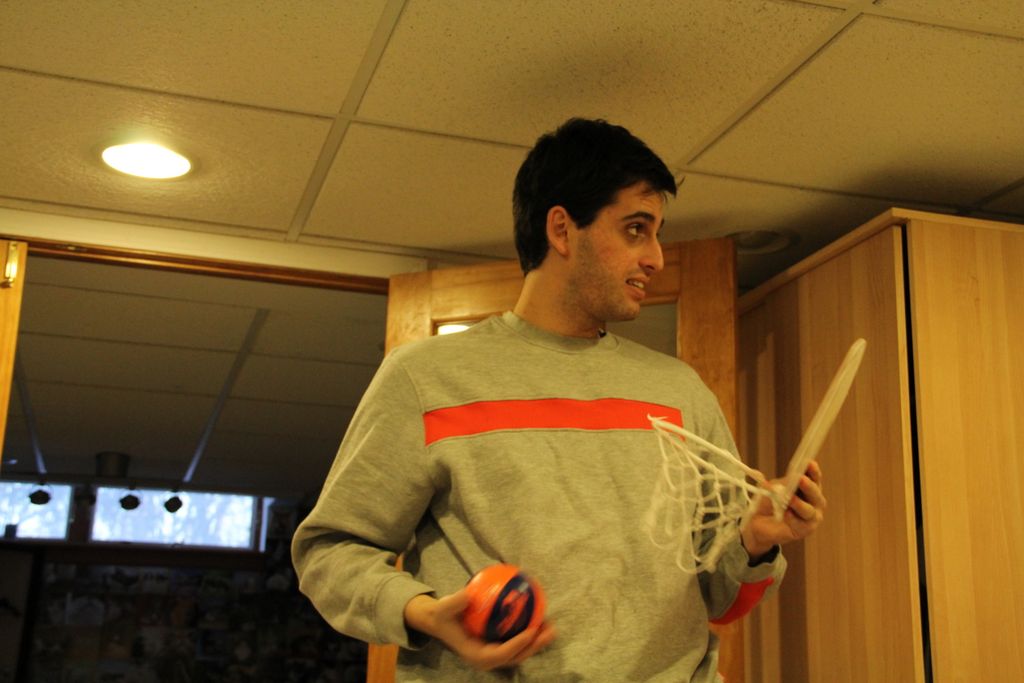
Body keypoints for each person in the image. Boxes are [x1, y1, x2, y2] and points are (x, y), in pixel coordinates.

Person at [292, 118, 826, 682]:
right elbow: (330, 553)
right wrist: (424, 612)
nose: (656, 258)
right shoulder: (425, 378)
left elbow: (724, 600)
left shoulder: (680, 392)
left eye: (656, 234)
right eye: (636, 230)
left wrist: (756, 541)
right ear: (562, 230)